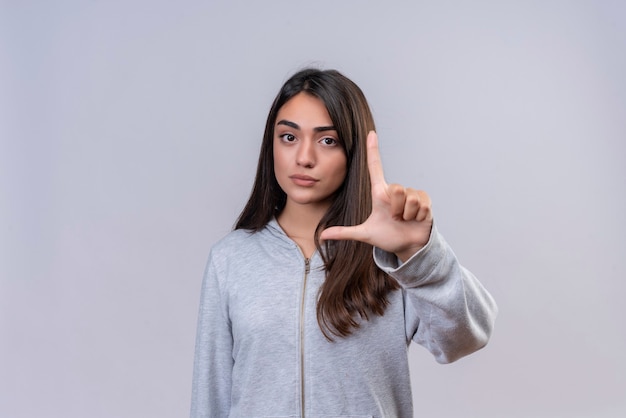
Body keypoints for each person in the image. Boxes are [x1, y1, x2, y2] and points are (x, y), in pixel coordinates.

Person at [191, 68, 497, 417]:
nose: (304, 157)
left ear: (352, 153)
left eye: (327, 140)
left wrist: (418, 254)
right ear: (270, 144)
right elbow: (210, 398)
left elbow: (467, 336)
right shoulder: (231, 259)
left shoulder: (389, 258)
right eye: (289, 137)